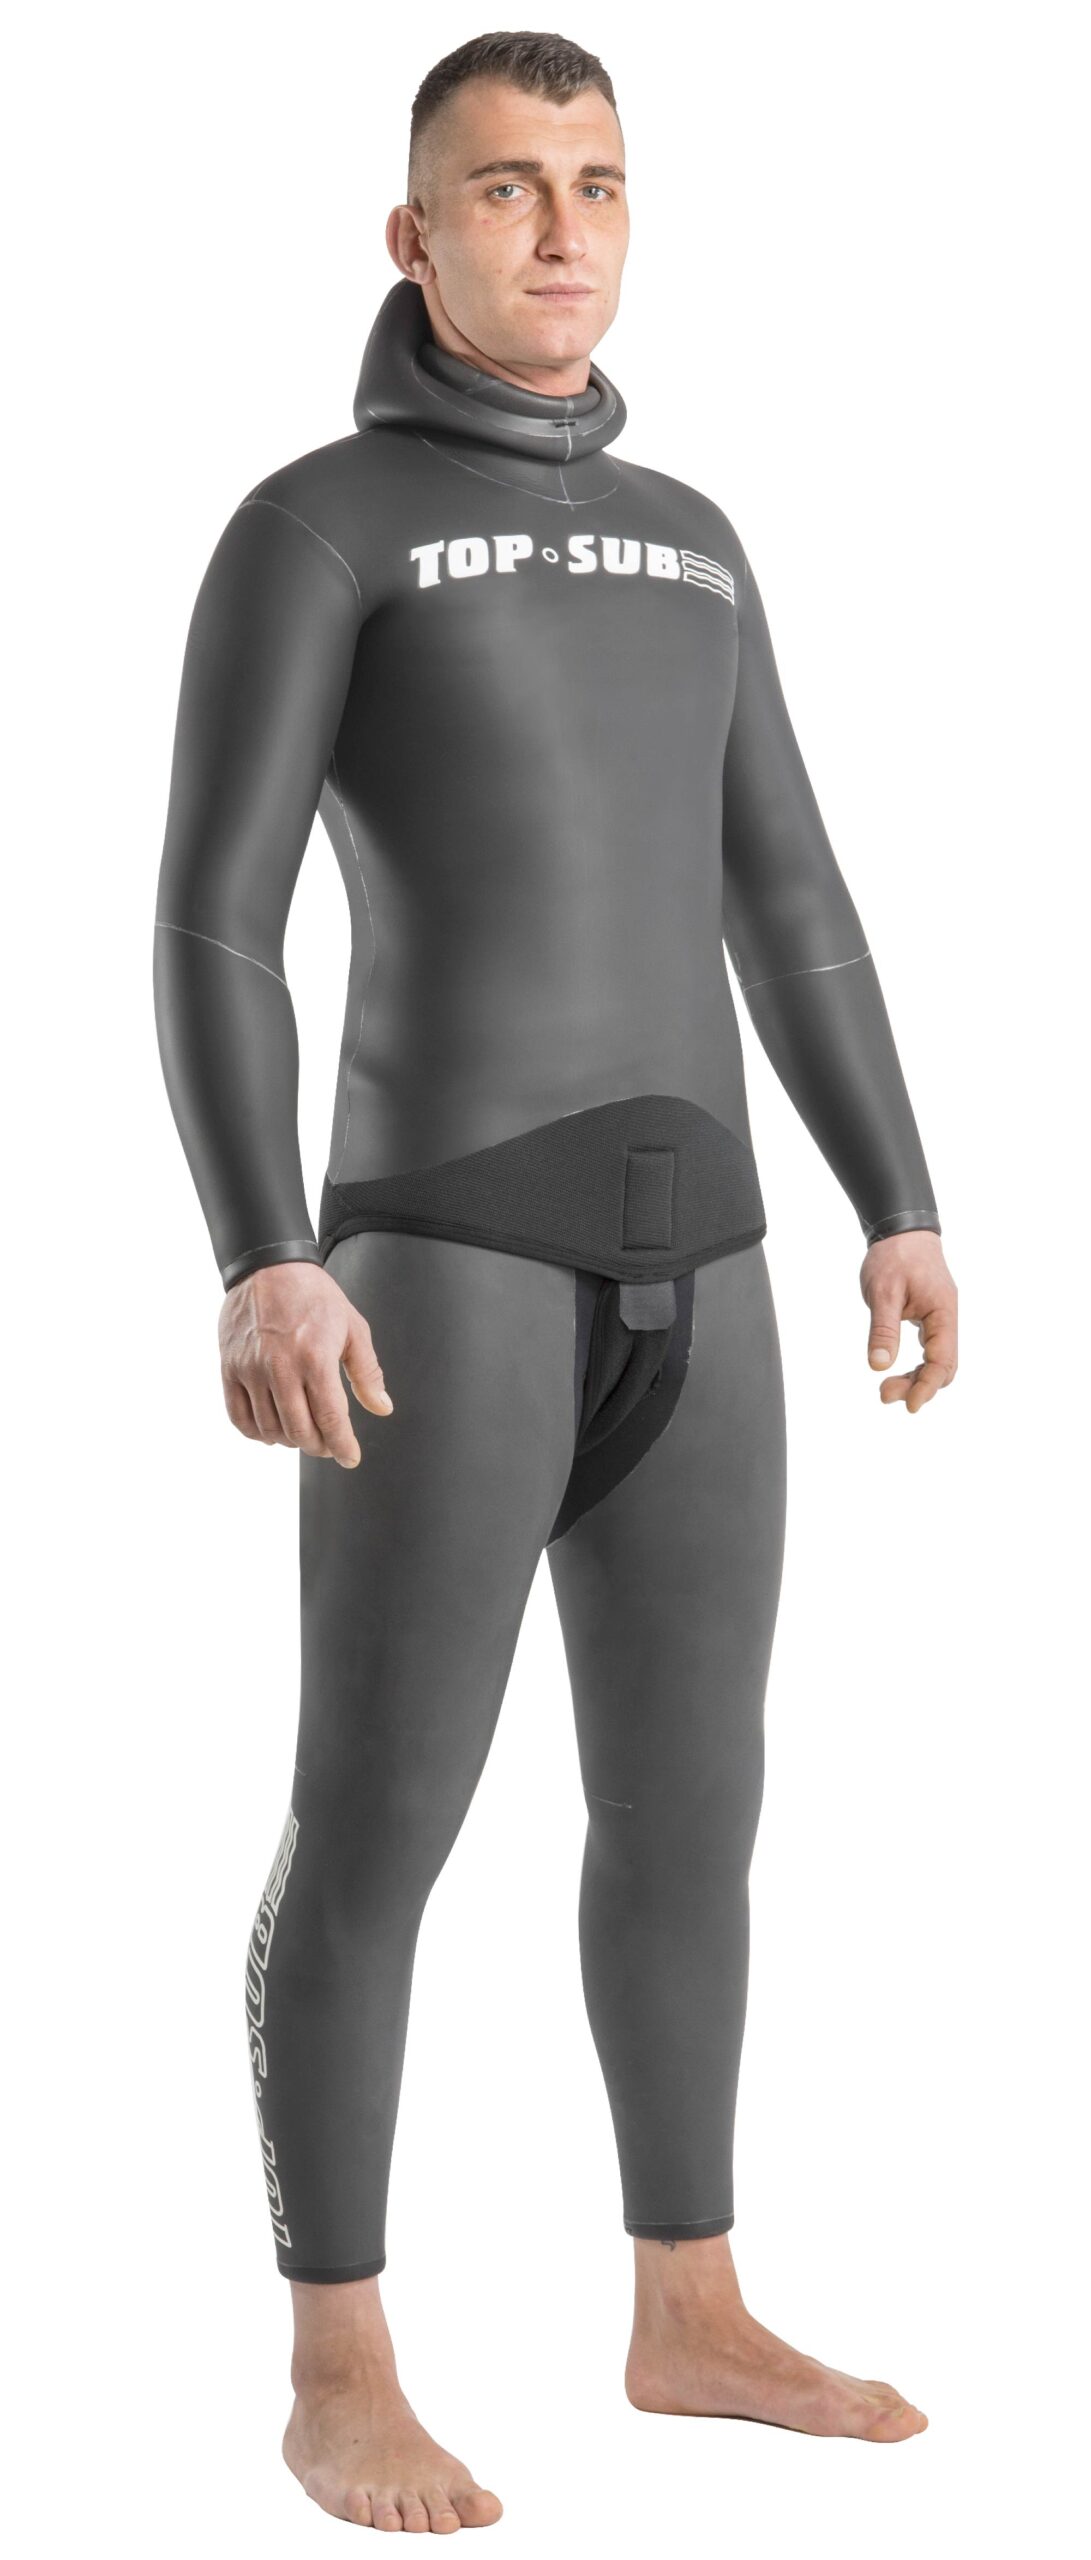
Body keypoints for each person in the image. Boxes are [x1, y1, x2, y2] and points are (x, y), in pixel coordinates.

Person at [154, 27, 958, 2532]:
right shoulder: (318, 527)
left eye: (598, 181)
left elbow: (791, 891)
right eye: (504, 189)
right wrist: (265, 1251)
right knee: (378, 1816)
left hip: (706, 1256)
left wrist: (899, 1192)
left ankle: (687, 2302)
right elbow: (214, 913)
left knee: (693, 1808)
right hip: (442, 1259)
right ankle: (337, 2359)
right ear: (413, 236)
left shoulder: (702, 539)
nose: (562, 228)